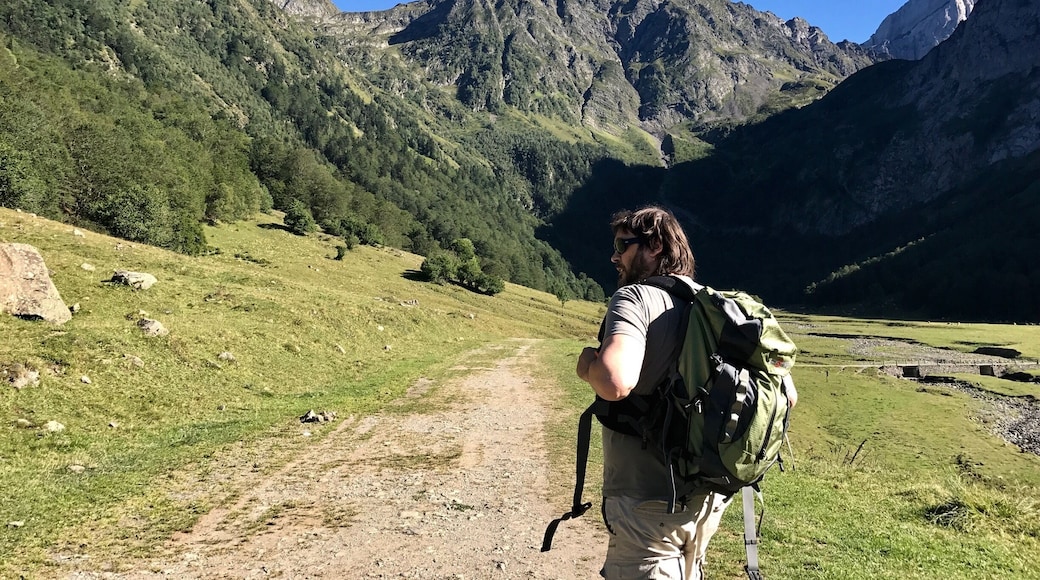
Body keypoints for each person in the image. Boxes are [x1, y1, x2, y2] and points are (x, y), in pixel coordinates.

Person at [575, 205, 729, 580]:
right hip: (707, 498)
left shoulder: (635, 298)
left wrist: (586, 366)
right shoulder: (714, 305)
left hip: (647, 503)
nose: (614, 255)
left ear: (655, 245)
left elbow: (614, 381)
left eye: (622, 244)